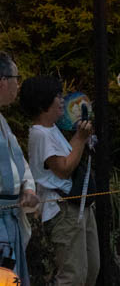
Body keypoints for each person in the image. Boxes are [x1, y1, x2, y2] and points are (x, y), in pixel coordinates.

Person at [21, 77, 99, 285]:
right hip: (63, 209)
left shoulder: (51, 130)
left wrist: (81, 136)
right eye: (57, 96)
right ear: (42, 103)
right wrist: (81, 139)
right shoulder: (40, 134)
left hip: (77, 204)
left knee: (91, 268)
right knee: (73, 276)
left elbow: (70, 154)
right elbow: (63, 169)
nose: (62, 101)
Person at [0, 53, 38, 285]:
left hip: (10, 217)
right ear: (3, 81)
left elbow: (21, 165)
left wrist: (29, 189)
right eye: (16, 78)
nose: (18, 84)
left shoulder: (3, 122)